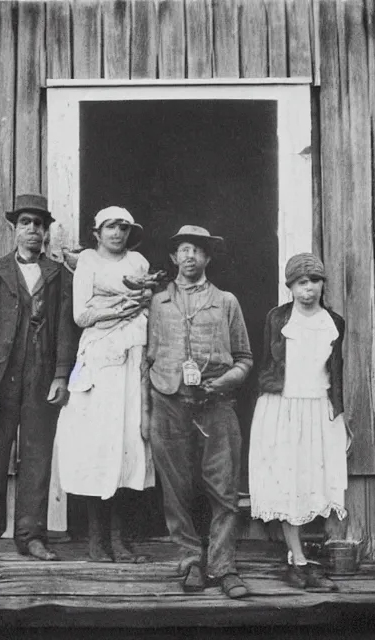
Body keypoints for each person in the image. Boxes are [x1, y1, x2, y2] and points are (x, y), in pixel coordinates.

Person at [0, 193, 77, 561]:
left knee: (37, 457)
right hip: (1, 379)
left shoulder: (57, 274)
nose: (32, 231)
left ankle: (30, 536)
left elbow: (64, 329)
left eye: (39, 225)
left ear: (46, 232)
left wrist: (61, 376)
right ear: (14, 229)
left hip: (41, 376)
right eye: (25, 224)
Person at [145, 225, 253, 599]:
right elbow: (145, 359)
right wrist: (147, 410)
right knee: (175, 490)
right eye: (183, 249)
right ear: (174, 257)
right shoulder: (155, 303)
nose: (190, 256)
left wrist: (226, 382)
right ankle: (190, 561)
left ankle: (224, 567)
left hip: (216, 406)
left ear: (208, 257)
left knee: (224, 490)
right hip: (168, 404)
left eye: (198, 250)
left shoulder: (226, 302)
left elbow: (244, 359)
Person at [55, 206, 155, 562]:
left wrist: (134, 306)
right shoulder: (88, 264)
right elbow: (81, 314)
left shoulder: (139, 263)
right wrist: (120, 309)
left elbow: (149, 303)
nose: (118, 233)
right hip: (99, 360)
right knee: (98, 447)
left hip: (133, 358)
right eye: (111, 227)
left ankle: (120, 539)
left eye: (124, 227)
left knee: (129, 445)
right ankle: (97, 540)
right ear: (96, 232)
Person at [248, 253, 348, 591]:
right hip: (282, 406)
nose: (309, 289)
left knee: (312, 479)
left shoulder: (334, 321)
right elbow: (266, 363)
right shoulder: (277, 319)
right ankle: (299, 559)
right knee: (286, 479)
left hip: (319, 408)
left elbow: (336, 371)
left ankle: (299, 555)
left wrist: (341, 412)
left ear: (322, 285)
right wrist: (268, 405)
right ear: (290, 287)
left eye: (315, 281)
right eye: (301, 282)